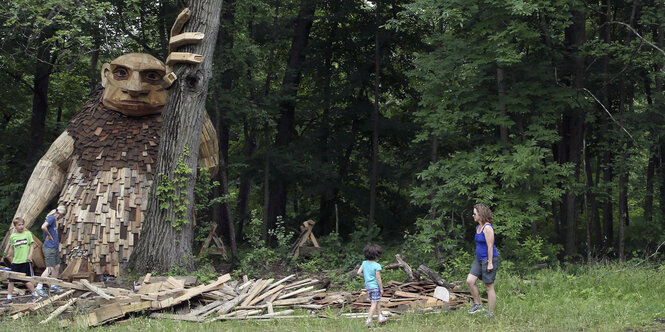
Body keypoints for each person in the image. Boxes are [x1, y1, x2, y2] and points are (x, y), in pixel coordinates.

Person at [466, 203, 499, 317]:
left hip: (488, 260)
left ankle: (491, 312)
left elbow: (490, 246)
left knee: (489, 286)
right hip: (479, 260)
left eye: (474, 213)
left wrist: (490, 263)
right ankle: (478, 305)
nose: (473, 215)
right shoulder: (478, 227)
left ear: (480, 214)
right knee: (470, 281)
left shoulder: (488, 228)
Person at [2, 217, 42, 304]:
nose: (21, 226)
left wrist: (30, 255)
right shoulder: (13, 236)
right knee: (11, 279)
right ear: (15, 226)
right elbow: (13, 248)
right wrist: (12, 258)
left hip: (25, 261)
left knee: (25, 279)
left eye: (22, 224)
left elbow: (31, 245)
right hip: (16, 261)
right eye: (19, 225)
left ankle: (35, 295)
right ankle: (9, 298)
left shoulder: (27, 234)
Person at [37, 206, 66, 295]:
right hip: (49, 247)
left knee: (56, 266)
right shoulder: (51, 218)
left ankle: (53, 285)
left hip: (54, 247)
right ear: (60, 214)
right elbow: (43, 227)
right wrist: (48, 235)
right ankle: (39, 286)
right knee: (49, 268)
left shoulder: (54, 221)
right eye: (62, 216)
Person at [357, 244, 388, 326]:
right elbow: (378, 279)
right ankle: (368, 320)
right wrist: (381, 289)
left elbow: (358, 272)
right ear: (377, 255)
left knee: (377, 301)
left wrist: (366, 276)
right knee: (374, 304)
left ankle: (380, 317)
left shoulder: (364, 263)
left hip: (368, 286)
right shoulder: (377, 265)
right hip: (375, 287)